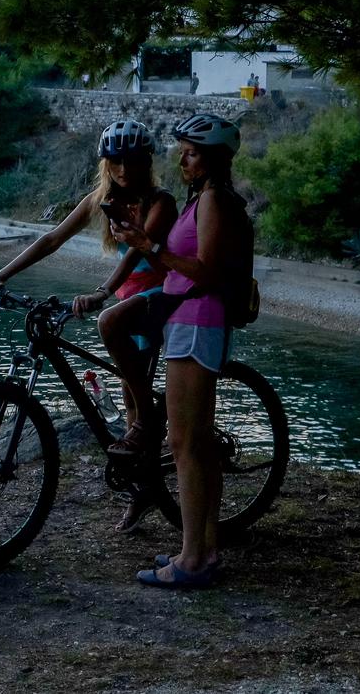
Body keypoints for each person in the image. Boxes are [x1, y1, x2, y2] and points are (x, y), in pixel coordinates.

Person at [0, 119, 178, 530]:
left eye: (133, 160)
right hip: (131, 297)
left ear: (147, 161)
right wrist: (3, 274)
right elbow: (51, 239)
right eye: (115, 161)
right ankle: (144, 489)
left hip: (163, 294)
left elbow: (132, 257)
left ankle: (150, 421)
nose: (123, 169)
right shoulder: (101, 199)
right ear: (105, 163)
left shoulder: (162, 201)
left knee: (109, 325)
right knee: (128, 397)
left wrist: (103, 293)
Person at [105, 111, 252, 589]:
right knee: (200, 444)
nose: (182, 161)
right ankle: (205, 549)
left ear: (210, 159)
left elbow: (204, 270)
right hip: (190, 322)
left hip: (197, 322)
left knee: (184, 444)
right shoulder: (204, 200)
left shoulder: (212, 201)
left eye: (190, 154)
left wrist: (150, 245)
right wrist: (143, 243)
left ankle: (192, 560)